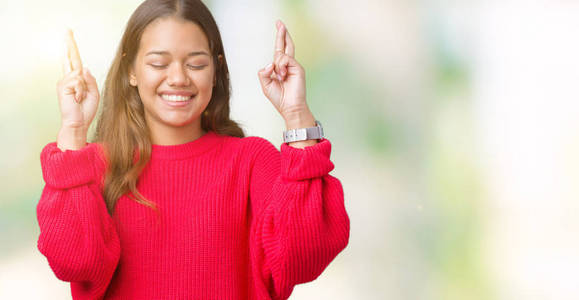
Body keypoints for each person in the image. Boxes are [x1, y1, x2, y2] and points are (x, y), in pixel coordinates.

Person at [37, 0, 350, 299]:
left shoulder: (252, 161)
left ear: (216, 70)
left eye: (196, 64)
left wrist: (296, 112)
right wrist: (74, 132)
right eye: (158, 63)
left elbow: (307, 255)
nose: (177, 79)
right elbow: (74, 262)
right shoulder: (92, 167)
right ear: (130, 70)